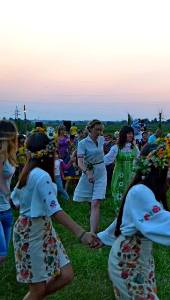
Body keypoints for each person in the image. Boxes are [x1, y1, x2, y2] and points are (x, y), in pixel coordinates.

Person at [97, 143, 170, 300]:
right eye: (167, 169)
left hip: (141, 258)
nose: (169, 174)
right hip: (128, 259)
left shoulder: (147, 191)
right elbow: (163, 220)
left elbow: (123, 219)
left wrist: (102, 237)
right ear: (156, 169)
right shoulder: (140, 191)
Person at [11, 132, 98, 300]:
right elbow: (55, 210)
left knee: (66, 274)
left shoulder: (29, 172)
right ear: (49, 152)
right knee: (38, 288)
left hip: (42, 228)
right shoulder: (40, 175)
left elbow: (15, 201)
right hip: (31, 232)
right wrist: (81, 234)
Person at [73, 119, 107, 232]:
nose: (99, 132)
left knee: (96, 202)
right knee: (91, 202)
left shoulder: (102, 139)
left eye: (101, 129)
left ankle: (93, 232)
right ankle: (93, 219)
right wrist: (87, 172)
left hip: (101, 172)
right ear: (90, 129)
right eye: (97, 129)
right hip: (89, 172)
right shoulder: (82, 143)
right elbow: (80, 162)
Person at [104, 126, 139, 210]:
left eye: (132, 133)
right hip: (120, 176)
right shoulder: (116, 148)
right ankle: (120, 218)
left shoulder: (134, 148)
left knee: (131, 198)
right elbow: (106, 160)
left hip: (132, 176)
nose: (131, 135)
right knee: (119, 198)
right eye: (128, 133)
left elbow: (140, 160)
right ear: (123, 134)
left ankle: (130, 217)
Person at [0, 120, 17, 265]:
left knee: (3, 257)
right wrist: (11, 197)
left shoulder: (10, 155)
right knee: (2, 254)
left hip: (6, 209)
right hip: (4, 204)